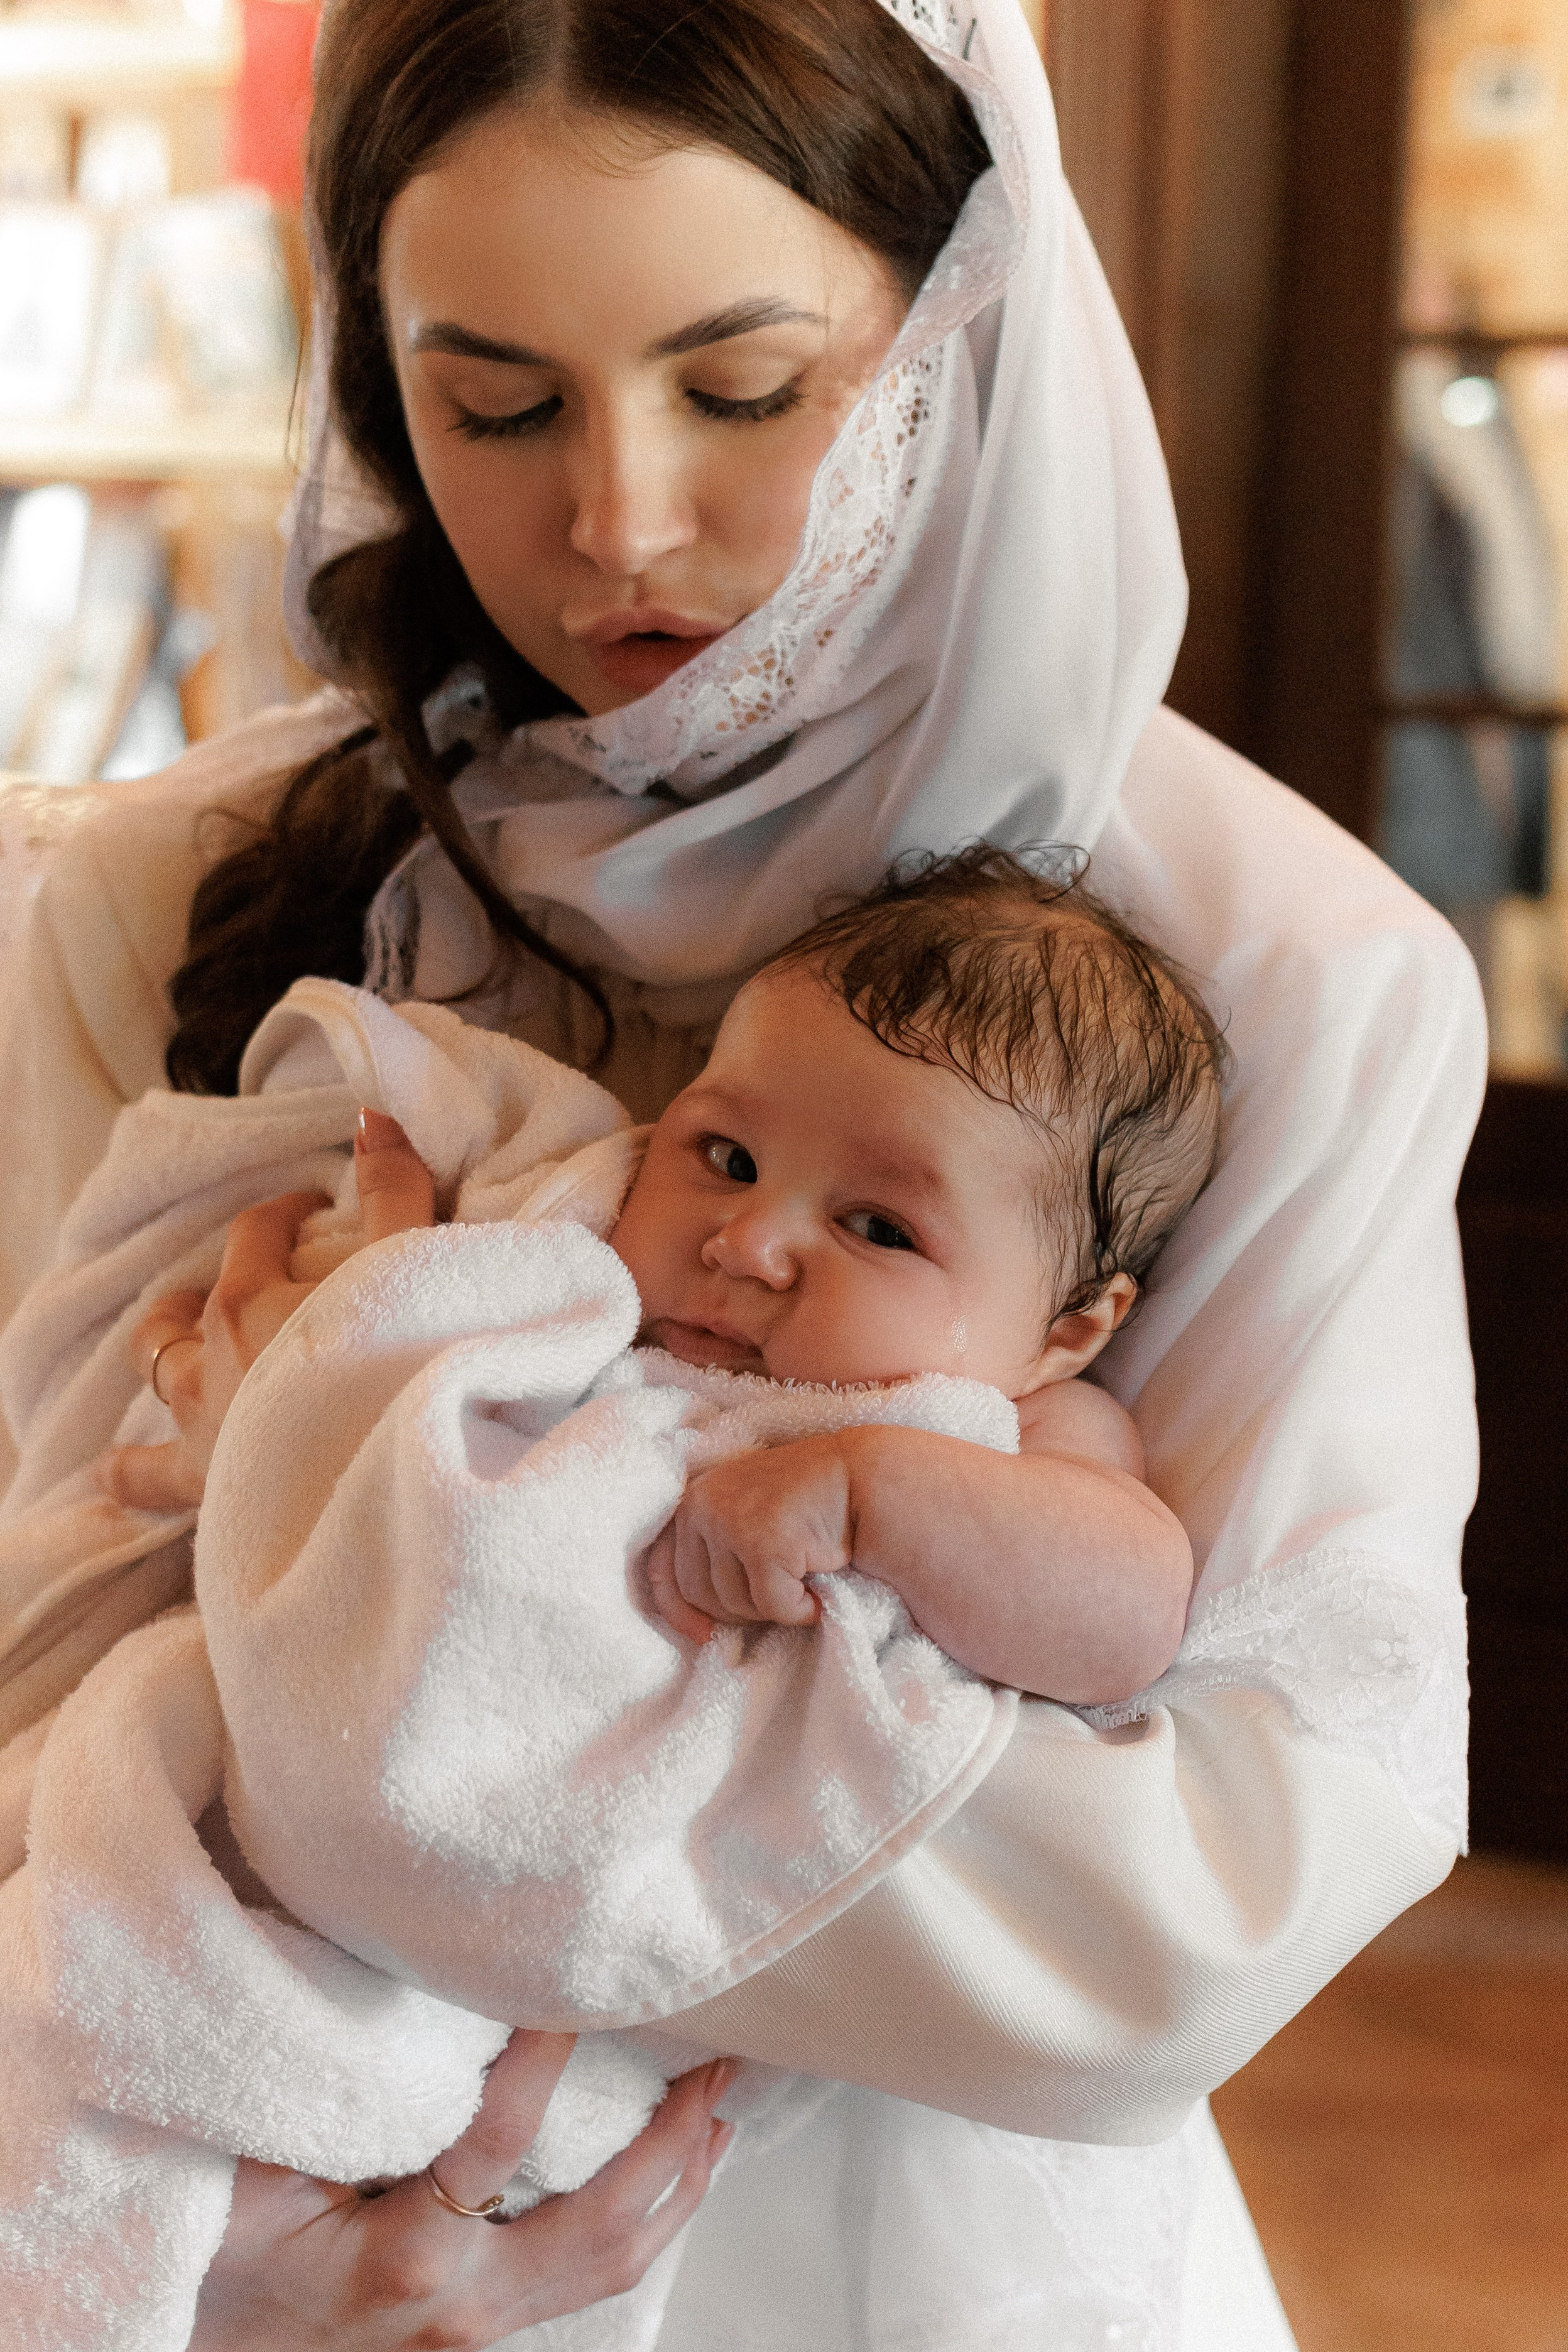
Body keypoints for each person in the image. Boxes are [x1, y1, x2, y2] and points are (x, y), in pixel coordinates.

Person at [0, 0, 1481, 2346]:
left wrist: (364, 1564)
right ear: (374, 392)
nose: (618, 524)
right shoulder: (159, 898)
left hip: (923, 2274)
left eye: (746, 386)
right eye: (493, 404)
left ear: (952, 338)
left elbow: (1203, 1906)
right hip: (245, 2212)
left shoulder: (1286, 979)